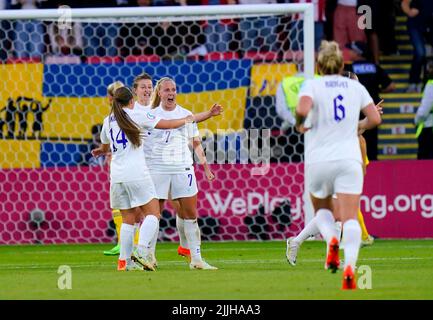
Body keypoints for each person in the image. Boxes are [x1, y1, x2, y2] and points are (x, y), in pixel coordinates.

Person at [91, 86, 222, 271]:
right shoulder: (137, 115)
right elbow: (170, 124)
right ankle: (142, 251)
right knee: (153, 213)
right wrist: (204, 115)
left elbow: (105, 146)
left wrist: (100, 151)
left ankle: (124, 262)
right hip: (136, 173)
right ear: (131, 101)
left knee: (128, 219)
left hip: (117, 176)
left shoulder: (108, 120)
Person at [294, 41, 381, 289]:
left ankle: (331, 240)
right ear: (342, 64)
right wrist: (359, 125)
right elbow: (374, 118)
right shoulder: (355, 86)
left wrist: (301, 122)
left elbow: (302, 109)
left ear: (319, 66)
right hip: (349, 158)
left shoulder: (312, 84)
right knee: (350, 217)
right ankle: (350, 268)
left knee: (322, 210)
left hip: (319, 158)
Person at [146, 77, 219, 270]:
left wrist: (206, 167)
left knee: (190, 213)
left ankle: (196, 259)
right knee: (154, 214)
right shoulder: (151, 115)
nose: (171, 93)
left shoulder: (185, 113)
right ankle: (149, 257)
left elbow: (195, 142)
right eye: (167, 90)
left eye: (174, 90)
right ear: (159, 93)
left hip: (182, 168)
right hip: (158, 169)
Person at [345, 41, 395, 160]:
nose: (348, 52)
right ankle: (372, 168)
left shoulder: (349, 69)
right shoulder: (375, 67)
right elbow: (391, 86)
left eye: (351, 50)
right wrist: (377, 92)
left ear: (357, 53)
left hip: (354, 111)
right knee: (371, 146)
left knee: (353, 142)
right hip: (372, 110)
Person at [401, 0, 433, 93]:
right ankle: (413, 83)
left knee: (420, 54)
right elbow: (404, 2)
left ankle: (421, 83)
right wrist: (409, 12)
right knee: (420, 53)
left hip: (430, 25)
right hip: (415, 25)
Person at [415, 68, 433, 159]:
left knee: (426, 164)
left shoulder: (431, 84)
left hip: (429, 128)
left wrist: (416, 120)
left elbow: (424, 111)